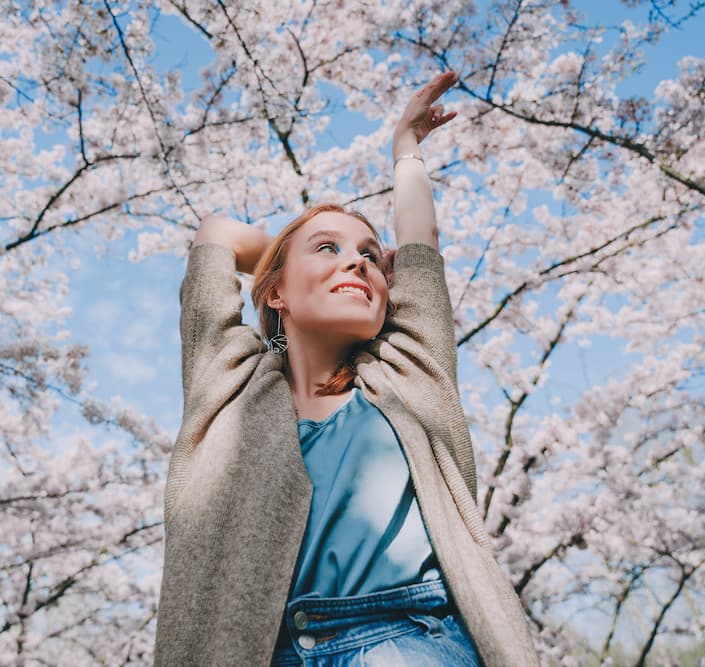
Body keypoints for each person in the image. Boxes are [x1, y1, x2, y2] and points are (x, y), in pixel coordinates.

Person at [154, 71, 539, 666]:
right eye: (330, 249)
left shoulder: (409, 369)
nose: (358, 264)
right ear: (274, 292)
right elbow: (216, 234)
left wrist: (405, 151)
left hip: (406, 638)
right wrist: (288, 254)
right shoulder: (230, 384)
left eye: (369, 256)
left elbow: (420, 241)